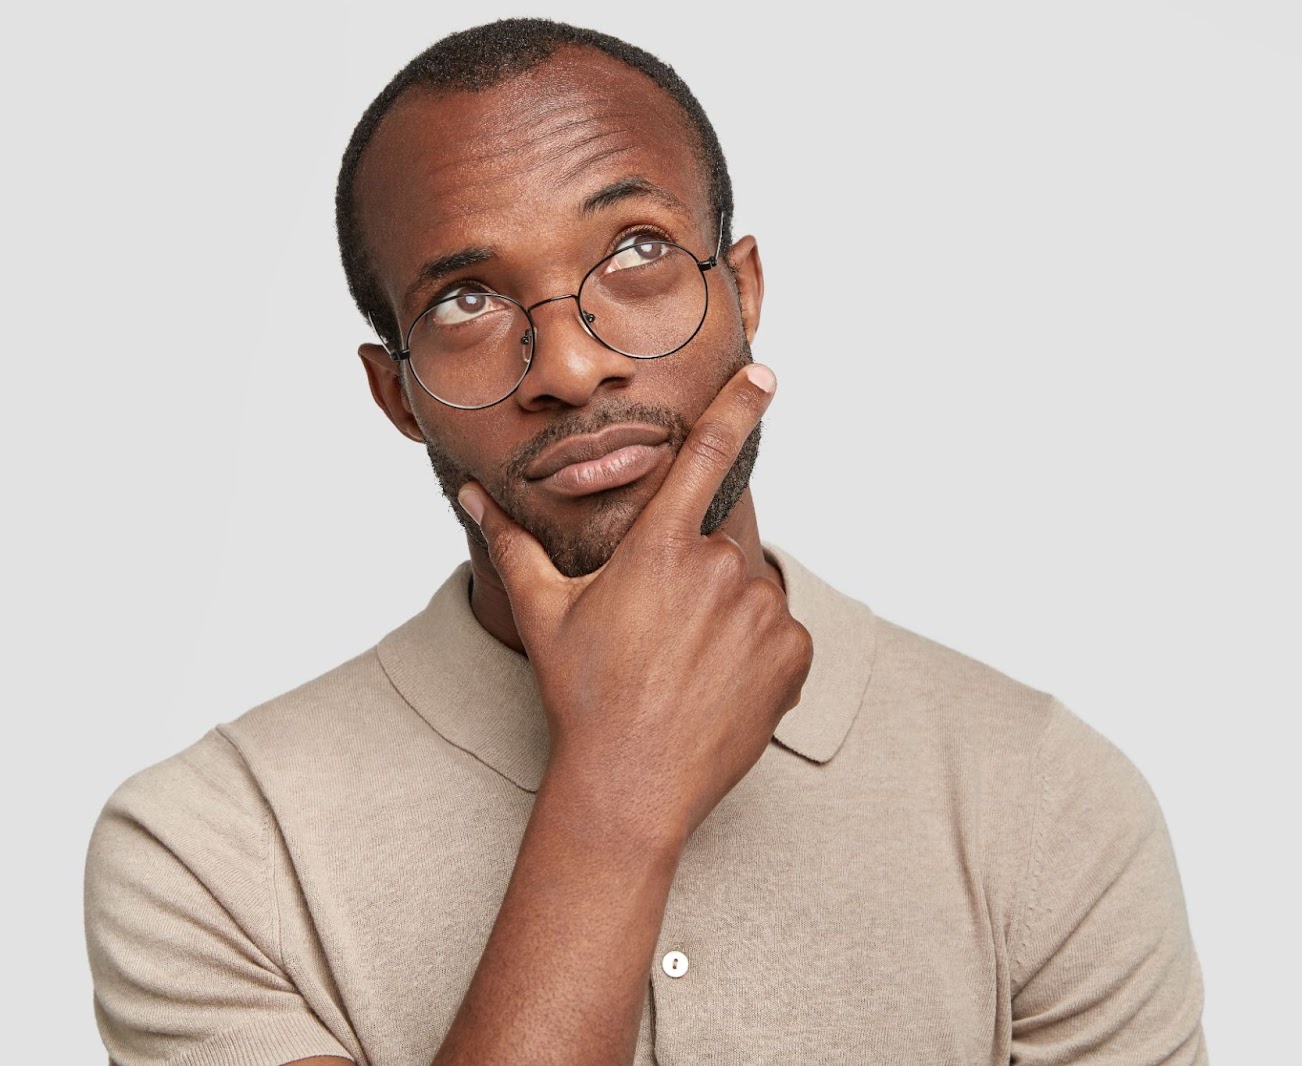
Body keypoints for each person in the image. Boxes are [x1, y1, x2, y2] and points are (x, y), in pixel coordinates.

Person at [83, 17, 1206, 1066]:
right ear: (396, 395)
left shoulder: (1043, 796)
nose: (571, 368)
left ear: (744, 290)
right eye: (467, 301)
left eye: (635, 250)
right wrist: (615, 795)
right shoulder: (210, 850)